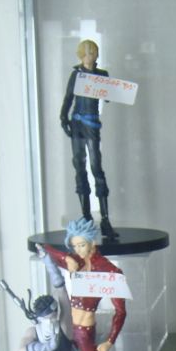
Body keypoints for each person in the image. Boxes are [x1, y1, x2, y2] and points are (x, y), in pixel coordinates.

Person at [41, 217, 129, 351]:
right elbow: (44, 248)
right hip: (66, 327)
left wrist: (110, 341)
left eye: (81, 245)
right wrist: (67, 258)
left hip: (84, 332)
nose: (78, 250)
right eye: (74, 246)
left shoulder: (108, 269)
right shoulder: (76, 260)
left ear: (92, 242)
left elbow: (121, 311)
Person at [60, 39, 117, 239]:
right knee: (79, 166)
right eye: (86, 54)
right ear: (81, 56)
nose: (90, 57)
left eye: (92, 53)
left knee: (96, 167)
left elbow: (108, 97)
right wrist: (63, 118)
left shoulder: (101, 75)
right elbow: (68, 98)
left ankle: (105, 219)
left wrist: (110, 90)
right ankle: (86, 216)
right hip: (77, 124)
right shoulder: (76, 75)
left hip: (92, 124)